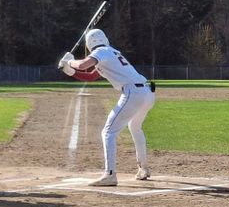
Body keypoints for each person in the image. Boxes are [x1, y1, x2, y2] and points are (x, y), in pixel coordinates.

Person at [58, 29, 156, 186]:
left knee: (108, 132)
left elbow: (83, 65)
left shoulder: (101, 51)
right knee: (135, 127)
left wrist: (70, 62)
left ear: (90, 44)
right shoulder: (110, 52)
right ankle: (143, 168)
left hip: (134, 92)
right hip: (147, 92)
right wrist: (69, 71)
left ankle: (109, 174)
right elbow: (90, 76)